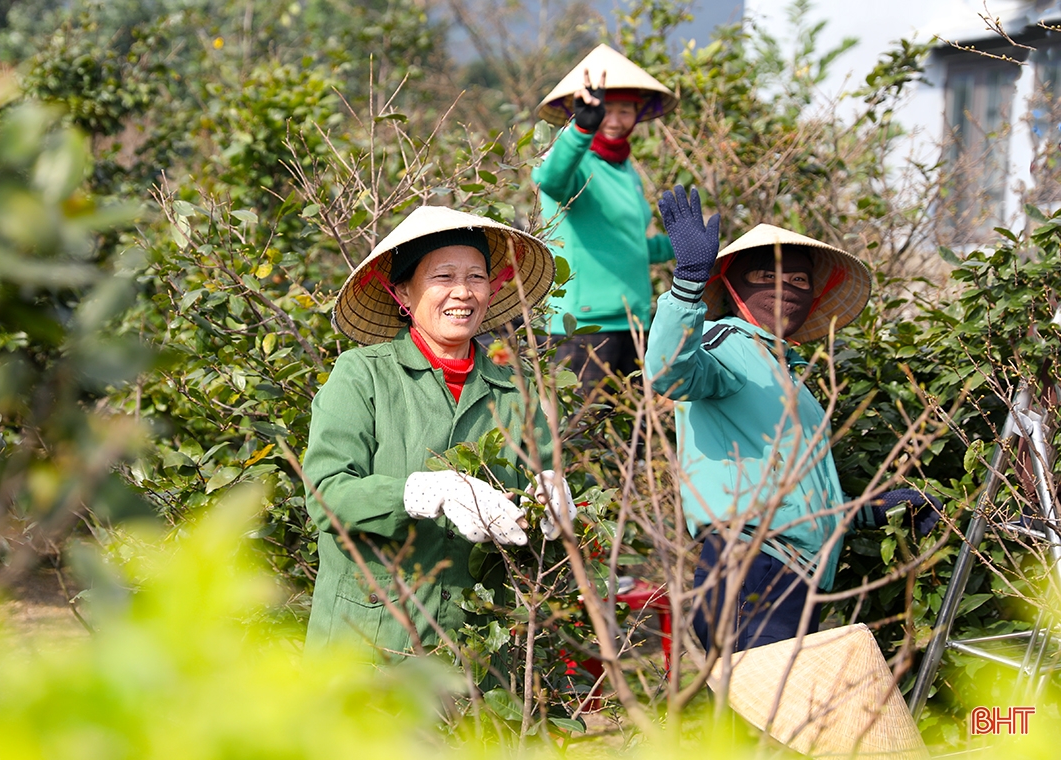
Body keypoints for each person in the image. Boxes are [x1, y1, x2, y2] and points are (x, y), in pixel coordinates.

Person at [645, 186, 943, 654]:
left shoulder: (785, 373)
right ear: (737, 287)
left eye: (801, 282)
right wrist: (686, 284)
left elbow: (793, 493)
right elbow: (668, 371)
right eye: (767, 275)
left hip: (794, 573)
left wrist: (874, 510)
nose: (786, 289)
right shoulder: (725, 343)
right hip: (751, 562)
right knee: (760, 720)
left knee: (773, 719)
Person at [303, 205, 576, 662]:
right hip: (368, 642)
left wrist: (555, 496)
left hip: (475, 646)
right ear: (403, 294)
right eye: (443, 277)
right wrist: (418, 491)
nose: (462, 292)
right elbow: (326, 493)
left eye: (475, 277)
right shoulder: (361, 376)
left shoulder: (517, 389)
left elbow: (547, 484)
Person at [533, 44, 678, 393]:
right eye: (605, 110)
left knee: (631, 437)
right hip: (583, 327)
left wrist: (684, 243)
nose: (614, 121)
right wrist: (581, 131)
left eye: (625, 110)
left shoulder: (624, 167)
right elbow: (549, 180)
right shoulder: (575, 159)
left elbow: (628, 246)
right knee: (585, 438)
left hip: (633, 320)